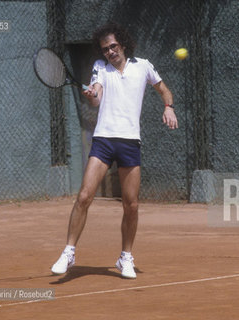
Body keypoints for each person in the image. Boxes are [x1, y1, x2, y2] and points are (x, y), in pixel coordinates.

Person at [51, 22, 178, 279]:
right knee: (85, 195)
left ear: (122, 44)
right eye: (105, 49)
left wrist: (169, 107)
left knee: (131, 205)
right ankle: (69, 252)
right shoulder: (100, 68)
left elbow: (163, 89)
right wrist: (91, 95)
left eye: (113, 46)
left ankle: (125, 257)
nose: (109, 52)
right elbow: (96, 95)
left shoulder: (143, 66)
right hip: (104, 140)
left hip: (130, 141)